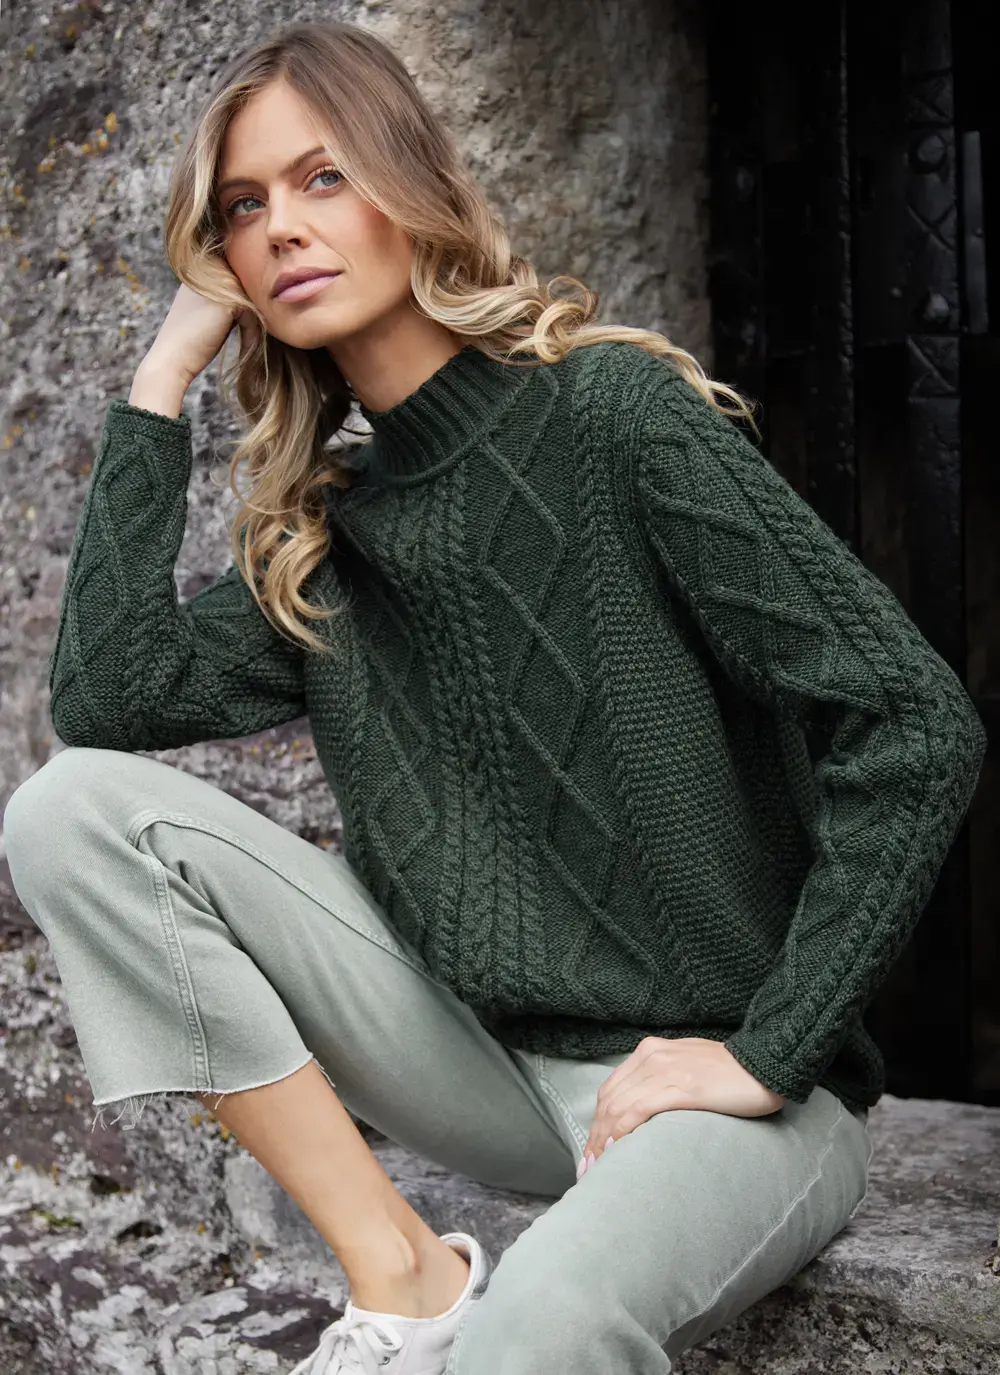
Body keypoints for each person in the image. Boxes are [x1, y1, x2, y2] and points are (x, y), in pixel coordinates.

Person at [3, 18, 987, 1375]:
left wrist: (770, 1051)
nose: (281, 226)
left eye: (323, 176)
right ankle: (400, 1272)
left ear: (411, 185)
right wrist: (160, 381)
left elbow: (913, 721)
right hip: (482, 1068)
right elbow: (108, 698)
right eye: (242, 206)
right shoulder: (330, 537)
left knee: (540, 1328)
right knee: (69, 811)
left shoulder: (613, 416)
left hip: (731, 1101)